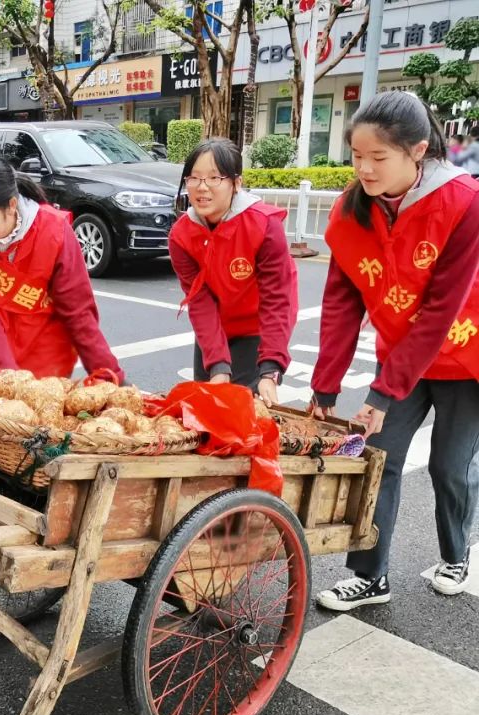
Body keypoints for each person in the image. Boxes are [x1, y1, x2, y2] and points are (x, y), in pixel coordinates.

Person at [311, 91, 479, 611]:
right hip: (401, 355)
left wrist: (381, 395)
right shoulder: (352, 208)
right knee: (377, 459)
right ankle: (370, 576)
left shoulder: (465, 204)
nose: (363, 168)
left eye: (378, 158)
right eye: (357, 156)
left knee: (449, 468)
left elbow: (440, 311)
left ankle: (455, 553)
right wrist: (325, 385)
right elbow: (341, 301)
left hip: (463, 357)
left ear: (419, 151)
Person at [0, 152, 124, 383]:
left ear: (11, 206)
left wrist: (110, 376)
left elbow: (78, 312)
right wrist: (8, 380)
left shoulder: (53, 232)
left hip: (46, 355)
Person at [168, 138, 298, 403]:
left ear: (236, 184)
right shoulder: (181, 235)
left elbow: (277, 300)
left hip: (255, 330)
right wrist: (217, 365)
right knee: (208, 414)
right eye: (194, 178)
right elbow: (200, 301)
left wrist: (270, 368)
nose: (202, 187)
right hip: (215, 328)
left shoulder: (263, 226)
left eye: (214, 178)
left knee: (244, 417)